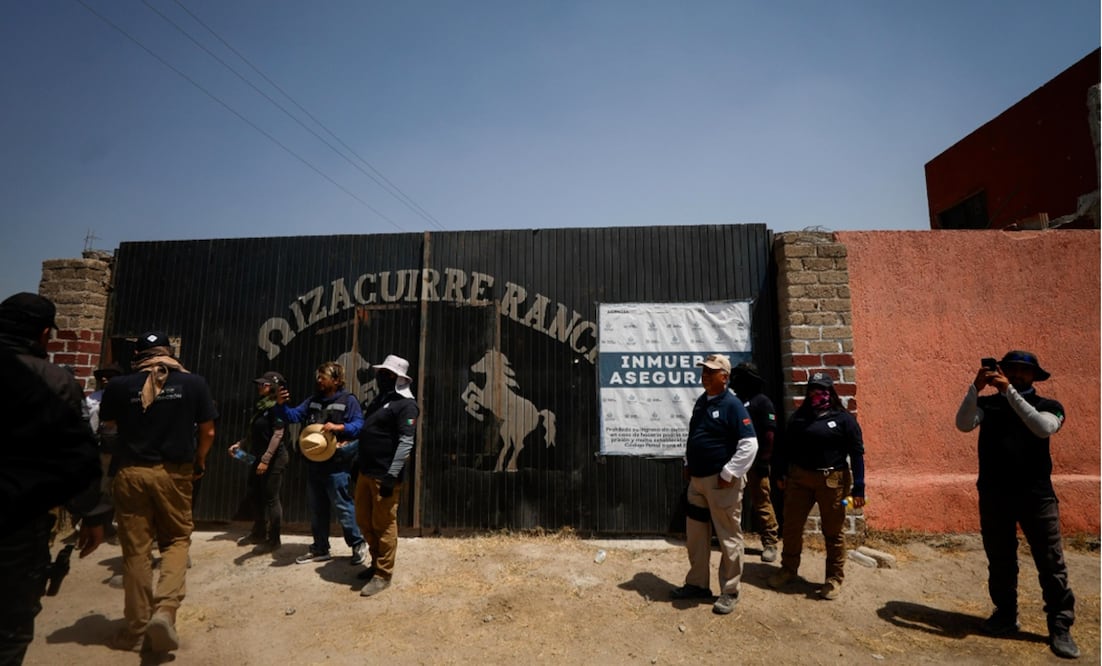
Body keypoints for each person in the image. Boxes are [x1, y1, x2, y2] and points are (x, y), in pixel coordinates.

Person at [0, 292, 105, 664]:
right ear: (45, 333)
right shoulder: (54, 381)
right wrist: (90, 514)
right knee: (8, 630)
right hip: (17, 525)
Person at [955, 351, 1079, 659]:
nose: (1017, 375)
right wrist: (976, 388)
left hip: (1036, 497)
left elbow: (1042, 428)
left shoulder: (1049, 406)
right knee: (1000, 560)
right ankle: (1005, 615)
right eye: (1011, 369)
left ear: (1035, 377)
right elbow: (962, 424)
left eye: (1024, 371)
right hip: (995, 495)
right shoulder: (989, 404)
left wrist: (1008, 391)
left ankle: (1060, 626)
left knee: (1051, 563)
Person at [99, 331, 218, 654]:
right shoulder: (194, 384)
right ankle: (165, 611)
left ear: (137, 354)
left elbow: (108, 429)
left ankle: (135, 630)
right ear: (168, 351)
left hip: (131, 472)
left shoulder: (119, 386)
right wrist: (199, 460)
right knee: (176, 540)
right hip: (174, 473)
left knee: (136, 550)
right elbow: (208, 431)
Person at [669, 353, 758, 615]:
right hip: (697, 482)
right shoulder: (701, 402)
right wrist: (688, 463)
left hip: (721, 485)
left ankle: (730, 591)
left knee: (729, 537)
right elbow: (695, 435)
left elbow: (749, 444)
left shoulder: (732, 405)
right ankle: (697, 584)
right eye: (704, 371)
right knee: (696, 536)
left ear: (725, 377)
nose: (705, 375)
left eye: (711, 371)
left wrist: (729, 472)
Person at [767, 372, 865, 601]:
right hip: (799, 479)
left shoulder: (844, 420)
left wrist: (859, 487)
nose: (816, 394)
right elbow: (784, 447)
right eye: (812, 390)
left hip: (833, 481)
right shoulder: (799, 418)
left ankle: (833, 578)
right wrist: (780, 471)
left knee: (833, 531)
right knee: (791, 526)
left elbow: (857, 453)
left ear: (830, 392)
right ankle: (788, 569)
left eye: (821, 390)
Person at [275, 361, 366, 566]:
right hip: (315, 463)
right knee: (317, 508)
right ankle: (320, 548)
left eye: (322, 377)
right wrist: (280, 405)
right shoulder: (313, 400)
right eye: (318, 377)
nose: (318, 381)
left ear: (335, 379)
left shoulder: (348, 400)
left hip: (336, 465)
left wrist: (340, 426)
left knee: (343, 506)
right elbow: (293, 416)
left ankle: (358, 544)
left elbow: (359, 425)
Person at [354, 355, 420, 597]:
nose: (381, 377)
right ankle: (374, 562)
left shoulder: (407, 406)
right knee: (363, 519)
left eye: (387, 374)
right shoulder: (380, 401)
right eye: (381, 372)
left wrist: (392, 475)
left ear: (398, 378)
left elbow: (406, 442)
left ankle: (383, 574)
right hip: (365, 471)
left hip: (384, 475)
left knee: (384, 524)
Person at [230, 372, 288, 553]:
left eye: (264, 384)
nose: (260, 386)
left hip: (274, 458)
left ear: (274, 387)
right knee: (255, 493)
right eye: (260, 384)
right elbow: (254, 432)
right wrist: (240, 446)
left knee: (271, 498)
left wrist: (265, 460)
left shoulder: (278, 407)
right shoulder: (261, 406)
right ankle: (259, 532)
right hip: (257, 456)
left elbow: (278, 435)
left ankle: (274, 539)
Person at [731, 361, 779, 563]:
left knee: (761, 501)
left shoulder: (762, 402)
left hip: (756, 462)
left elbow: (769, 434)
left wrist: (764, 460)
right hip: (735, 461)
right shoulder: (734, 402)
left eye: (740, 378)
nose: (735, 382)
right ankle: (733, 541)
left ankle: (770, 542)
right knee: (732, 502)